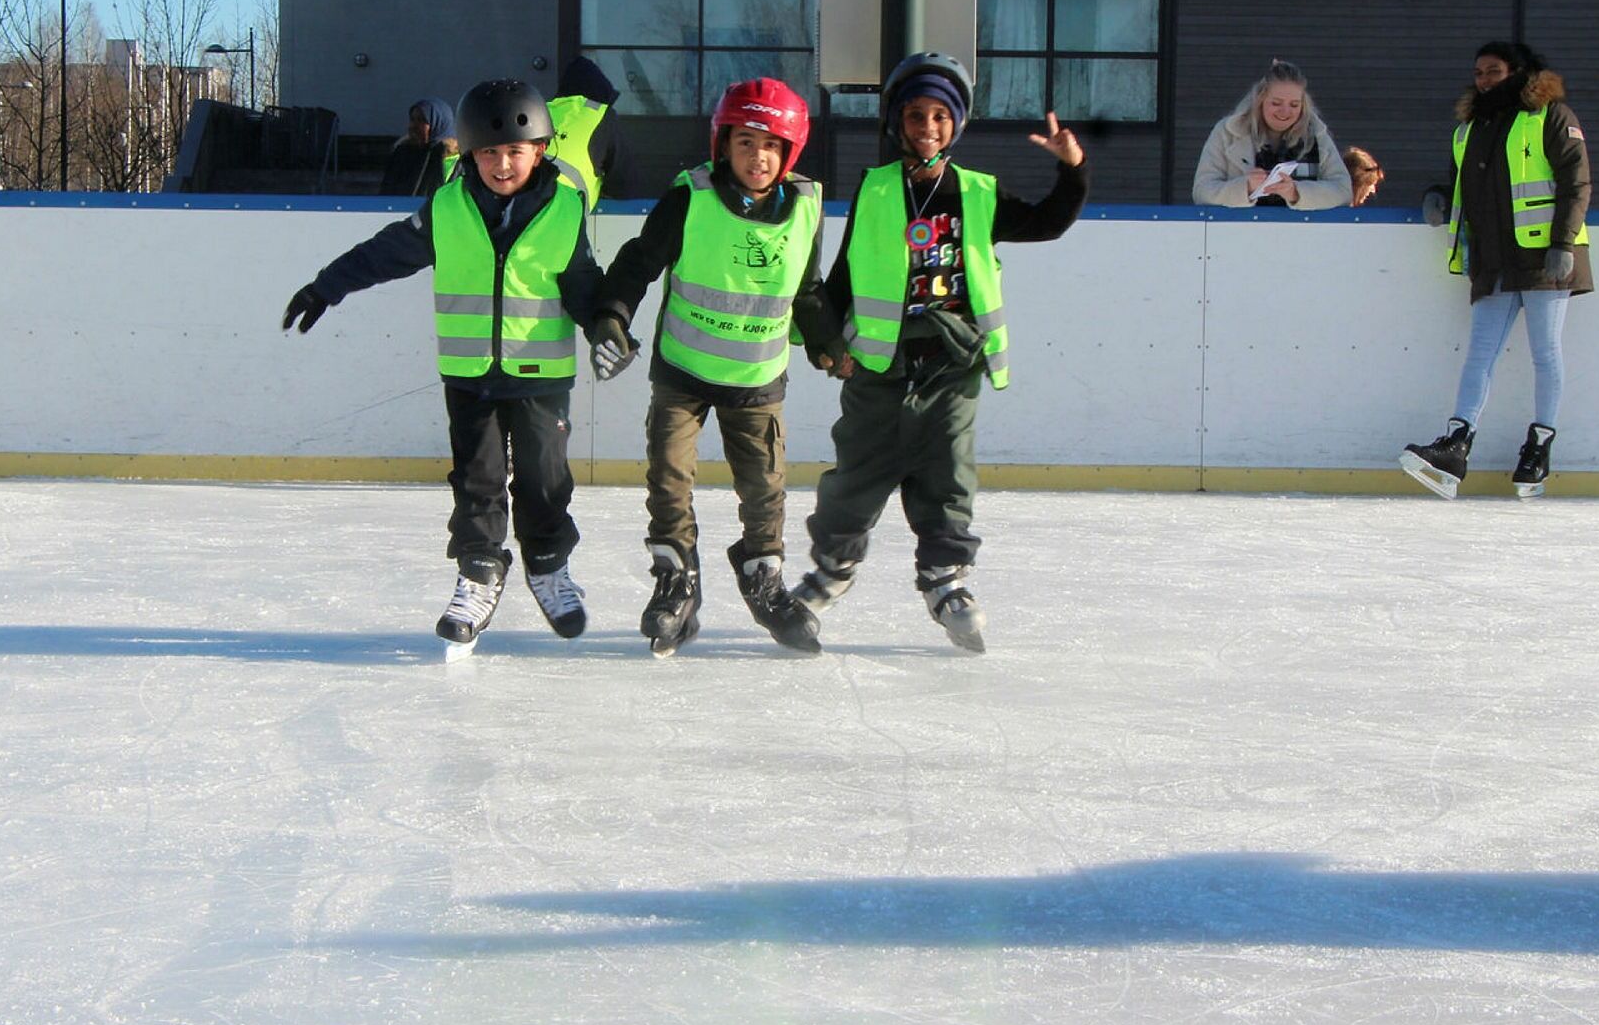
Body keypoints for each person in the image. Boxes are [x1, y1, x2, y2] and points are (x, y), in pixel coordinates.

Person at [282, 79, 614, 651]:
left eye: (515, 151)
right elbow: (384, 252)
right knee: (477, 481)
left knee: (544, 480)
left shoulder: (565, 206)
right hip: (470, 377)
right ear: (469, 152)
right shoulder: (447, 206)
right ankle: (479, 574)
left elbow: (581, 281)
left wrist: (608, 325)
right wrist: (326, 287)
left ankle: (547, 566)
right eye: (489, 152)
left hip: (540, 378)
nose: (502, 164)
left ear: (541, 149)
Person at [782, 52, 1088, 654]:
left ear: (957, 124)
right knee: (858, 469)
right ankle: (832, 569)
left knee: (948, 471)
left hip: (952, 360)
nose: (928, 126)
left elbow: (1048, 223)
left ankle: (944, 578)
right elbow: (846, 271)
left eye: (940, 116)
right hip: (879, 364)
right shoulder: (874, 190)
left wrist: (1072, 170)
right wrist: (823, 343)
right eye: (916, 115)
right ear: (898, 122)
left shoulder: (977, 192)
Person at [588, 78, 831, 655]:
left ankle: (763, 580)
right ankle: (677, 583)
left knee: (764, 489)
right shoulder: (690, 196)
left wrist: (826, 344)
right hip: (683, 372)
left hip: (757, 379)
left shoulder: (806, 207)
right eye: (746, 141)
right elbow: (639, 261)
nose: (758, 156)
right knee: (668, 477)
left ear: (790, 151)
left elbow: (810, 288)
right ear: (723, 143)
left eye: (772, 144)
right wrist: (611, 317)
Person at [1400, 42, 1593, 501]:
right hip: (1493, 258)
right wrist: (1439, 196)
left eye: (1494, 71)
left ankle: (1539, 448)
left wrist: (1563, 242)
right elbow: (1467, 184)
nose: (1485, 79)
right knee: (1480, 352)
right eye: (1479, 72)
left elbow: (1576, 180)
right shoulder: (1470, 127)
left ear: (1518, 72)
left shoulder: (1550, 115)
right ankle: (1456, 444)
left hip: (1545, 255)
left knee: (1545, 351)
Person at [1191, 59, 1354, 209]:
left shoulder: (1317, 135)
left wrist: (1296, 193)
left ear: (1304, 106)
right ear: (1260, 100)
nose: (1285, 112)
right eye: (1276, 103)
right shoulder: (1227, 133)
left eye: (1294, 105)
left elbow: (1343, 192)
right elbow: (1202, 192)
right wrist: (1245, 187)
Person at [547, 55, 625, 204]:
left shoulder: (540, 110)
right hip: (565, 212)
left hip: (517, 207)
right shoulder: (601, 115)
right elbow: (622, 181)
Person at [378, 97, 457, 198]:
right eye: (412, 119)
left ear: (438, 123)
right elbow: (387, 192)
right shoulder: (403, 153)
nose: (413, 126)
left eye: (421, 120)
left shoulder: (451, 158)